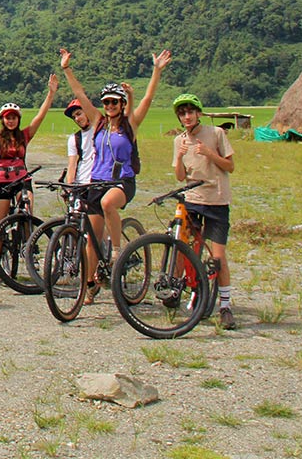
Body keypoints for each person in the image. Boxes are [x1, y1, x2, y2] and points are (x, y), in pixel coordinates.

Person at [61, 47, 170, 299]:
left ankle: (118, 250)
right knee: (91, 239)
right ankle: (90, 286)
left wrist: (156, 71)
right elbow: (80, 94)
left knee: (109, 202)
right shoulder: (98, 122)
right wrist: (67, 69)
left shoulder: (130, 125)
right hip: (97, 182)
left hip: (122, 182)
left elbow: (148, 100)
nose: (110, 105)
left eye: (115, 101)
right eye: (107, 101)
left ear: (122, 104)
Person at [0, 73, 58, 234]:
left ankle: (28, 246)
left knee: (27, 211)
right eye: (8, 118)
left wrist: (51, 93)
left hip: (22, 179)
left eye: (14, 118)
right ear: (3, 120)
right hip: (1, 181)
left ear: (18, 119)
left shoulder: (25, 135)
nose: (11, 121)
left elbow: (39, 117)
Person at [172, 93, 236, 329]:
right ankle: (183, 289)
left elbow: (230, 166)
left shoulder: (216, 134)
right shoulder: (179, 140)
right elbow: (180, 176)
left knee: (217, 256)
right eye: (182, 113)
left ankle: (226, 306)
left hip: (217, 200)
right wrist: (179, 157)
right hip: (192, 200)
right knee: (185, 249)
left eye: (190, 112)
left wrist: (210, 154)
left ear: (198, 113)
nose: (186, 116)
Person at [64, 99, 95, 185]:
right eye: (74, 117)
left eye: (79, 114)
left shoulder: (102, 131)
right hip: (81, 182)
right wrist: (69, 186)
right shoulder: (74, 138)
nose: (77, 119)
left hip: (100, 181)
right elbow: (72, 165)